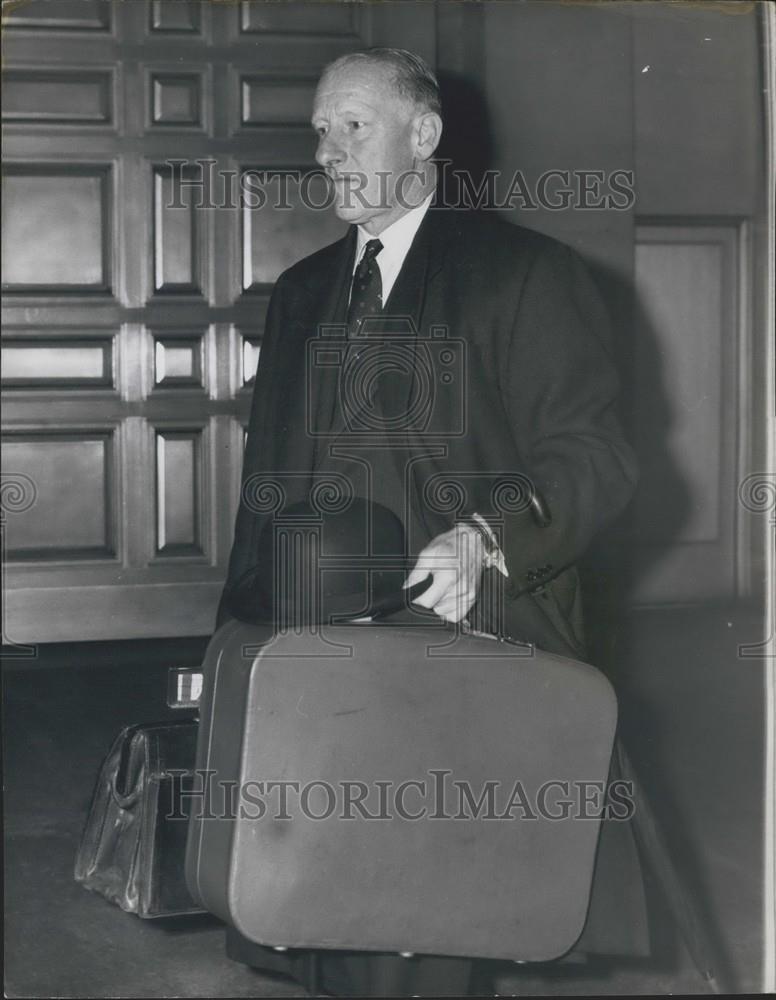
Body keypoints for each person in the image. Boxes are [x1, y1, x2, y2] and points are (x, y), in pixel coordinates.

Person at [219, 47, 644, 996]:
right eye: (320, 129)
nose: (327, 150)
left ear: (426, 134)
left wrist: (488, 536)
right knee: (320, 903)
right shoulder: (299, 294)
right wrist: (232, 643)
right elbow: (267, 488)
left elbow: (597, 457)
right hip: (315, 640)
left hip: (463, 637)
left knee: (429, 916)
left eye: (353, 126)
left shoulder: (526, 276)